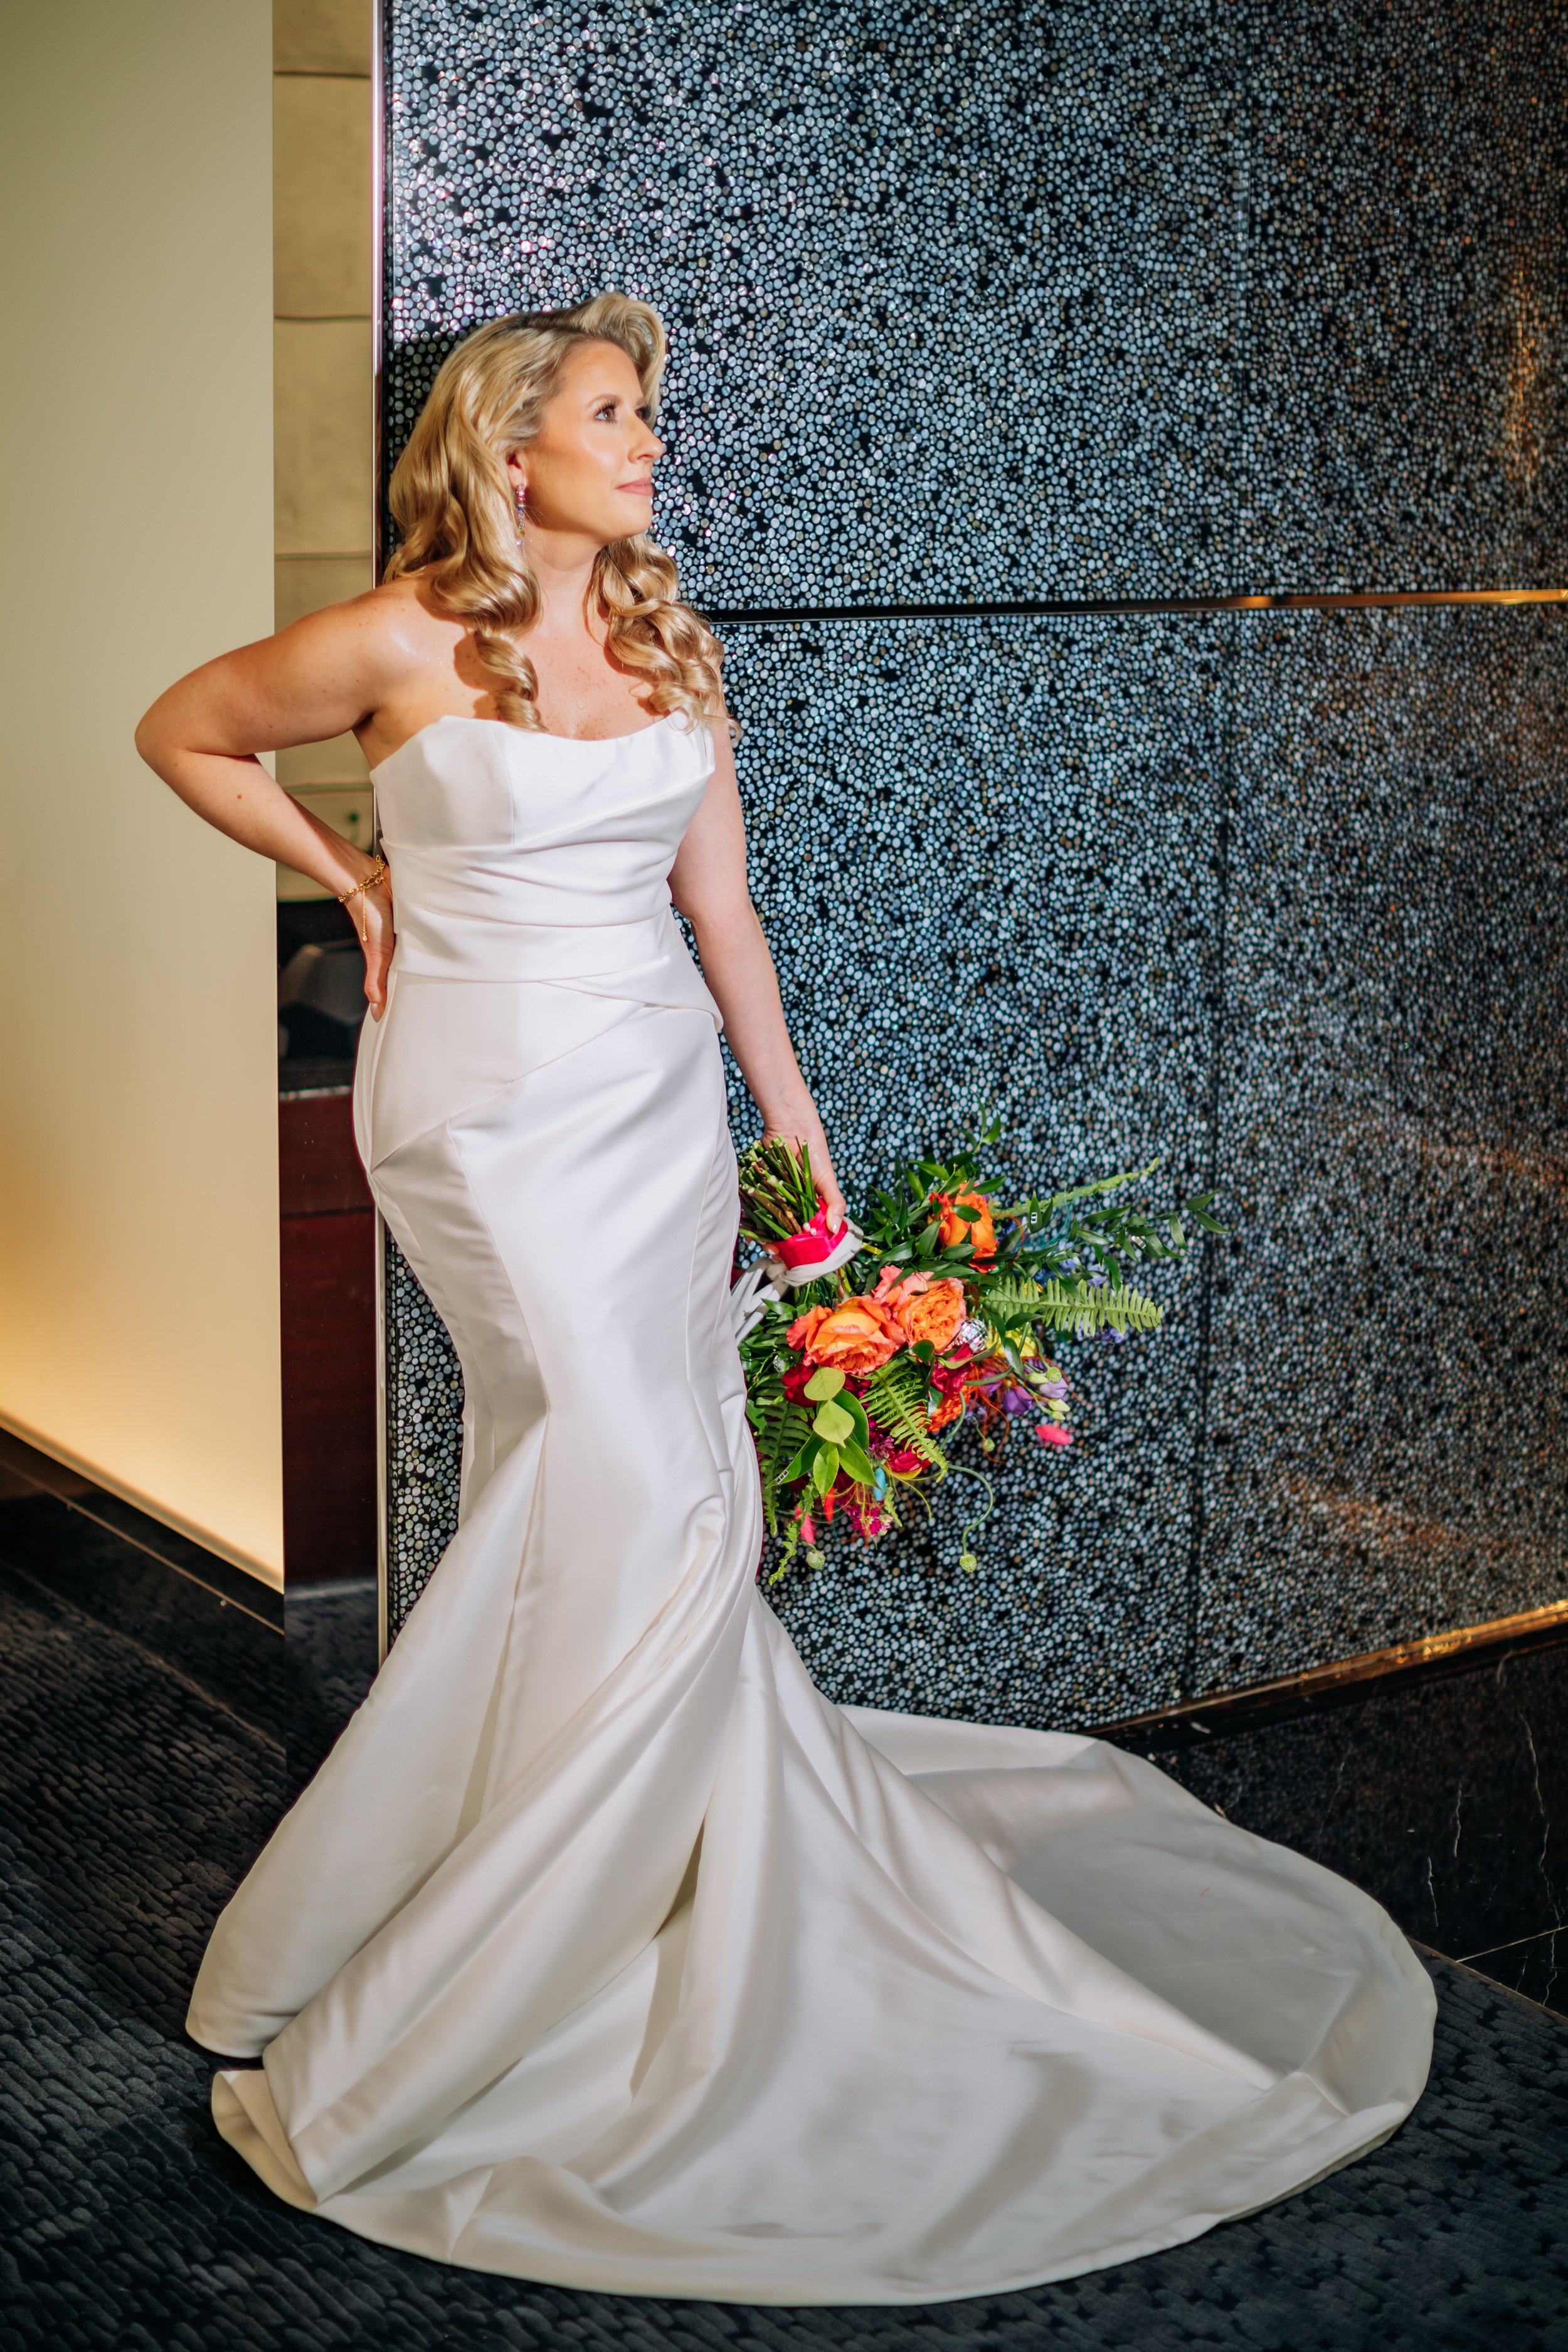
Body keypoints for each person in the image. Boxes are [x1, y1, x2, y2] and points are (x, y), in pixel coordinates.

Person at [136, 294, 1433, 2305]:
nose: (645, 440)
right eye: (608, 411)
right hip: (480, 1112)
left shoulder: (663, 638)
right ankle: (507, 1933)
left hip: (649, 1105)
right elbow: (184, 728)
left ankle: (569, 1873)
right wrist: (356, 876)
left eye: (647, 411)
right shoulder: (394, 637)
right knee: (632, 1475)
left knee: (620, 1487)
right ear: (505, 443)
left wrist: (799, 1129)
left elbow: (719, 901)